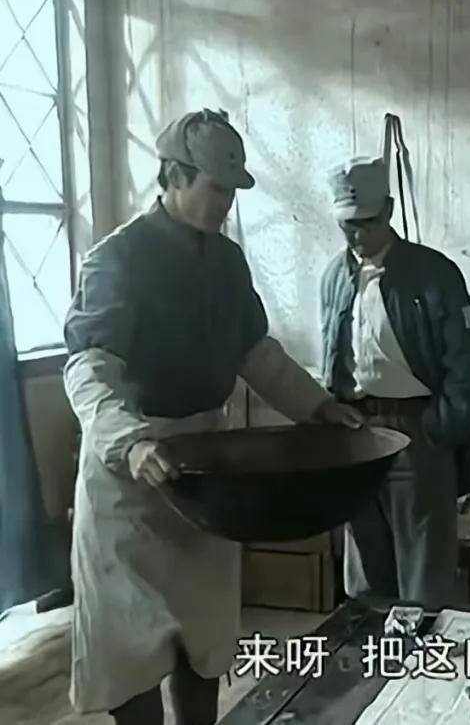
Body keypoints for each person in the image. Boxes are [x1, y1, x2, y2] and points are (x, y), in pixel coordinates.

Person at [62, 108, 365, 725]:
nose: (225, 203)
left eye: (232, 191)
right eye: (215, 188)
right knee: (130, 648)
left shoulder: (227, 262)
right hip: (132, 481)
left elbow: (256, 353)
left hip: (206, 474)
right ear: (174, 176)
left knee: (204, 640)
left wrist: (317, 406)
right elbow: (88, 369)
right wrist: (130, 441)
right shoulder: (118, 260)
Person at [320, 142, 470, 608]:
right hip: (355, 429)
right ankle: (371, 649)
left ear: (390, 211)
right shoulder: (334, 276)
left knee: (424, 567)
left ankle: (422, 648)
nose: (358, 234)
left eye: (368, 222)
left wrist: (440, 428)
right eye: (348, 225)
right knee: (364, 565)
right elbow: (332, 356)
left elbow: (467, 362)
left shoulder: (434, 274)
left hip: (417, 430)